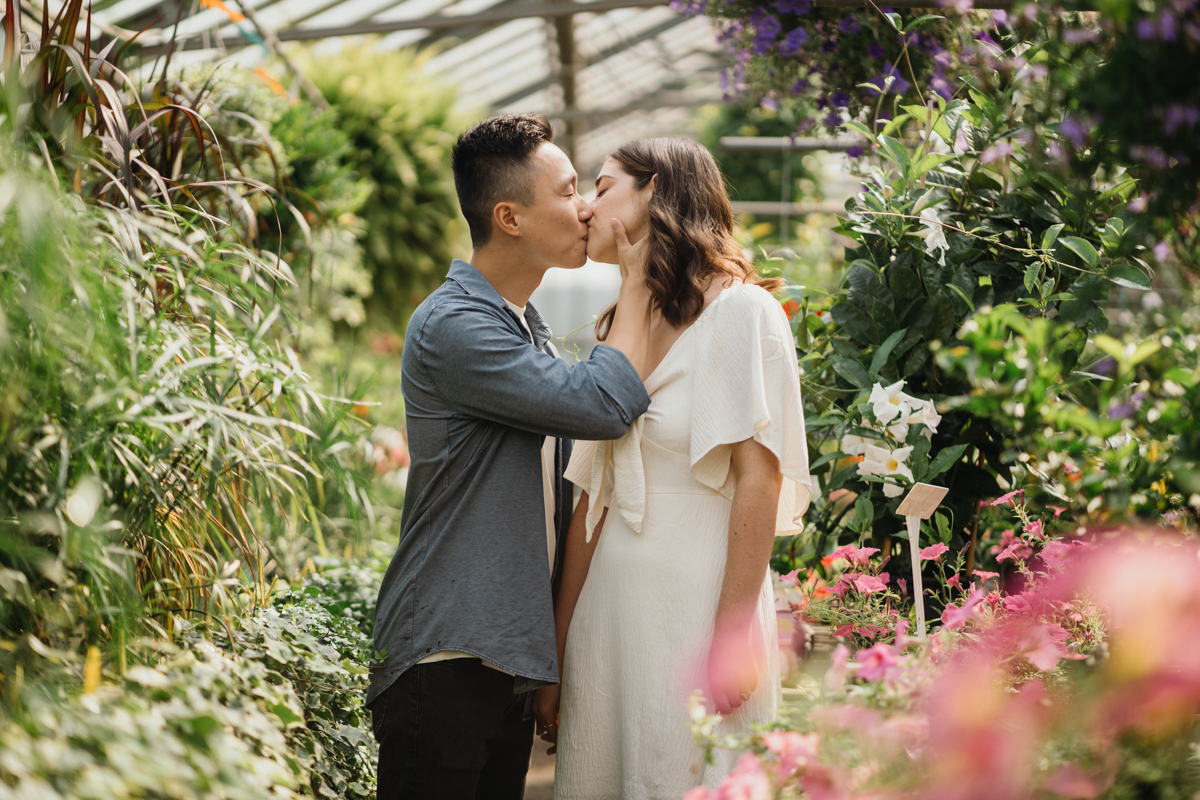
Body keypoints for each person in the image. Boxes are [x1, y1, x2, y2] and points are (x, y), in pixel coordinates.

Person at [367, 114, 657, 800]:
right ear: (510, 216)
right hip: (445, 656)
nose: (586, 206)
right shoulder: (455, 326)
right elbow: (603, 406)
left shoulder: (523, 327)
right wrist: (642, 276)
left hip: (500, 656)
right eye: (567, 190)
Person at [533, 138, 813, 798]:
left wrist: (731, 640)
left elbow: (759, 480)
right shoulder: (621, 329)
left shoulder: (744, 313)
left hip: (697, 612)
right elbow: (592, 503)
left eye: (600, 187)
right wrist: (558, 650)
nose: (584, 207)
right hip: (610, 618)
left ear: (653, 192)